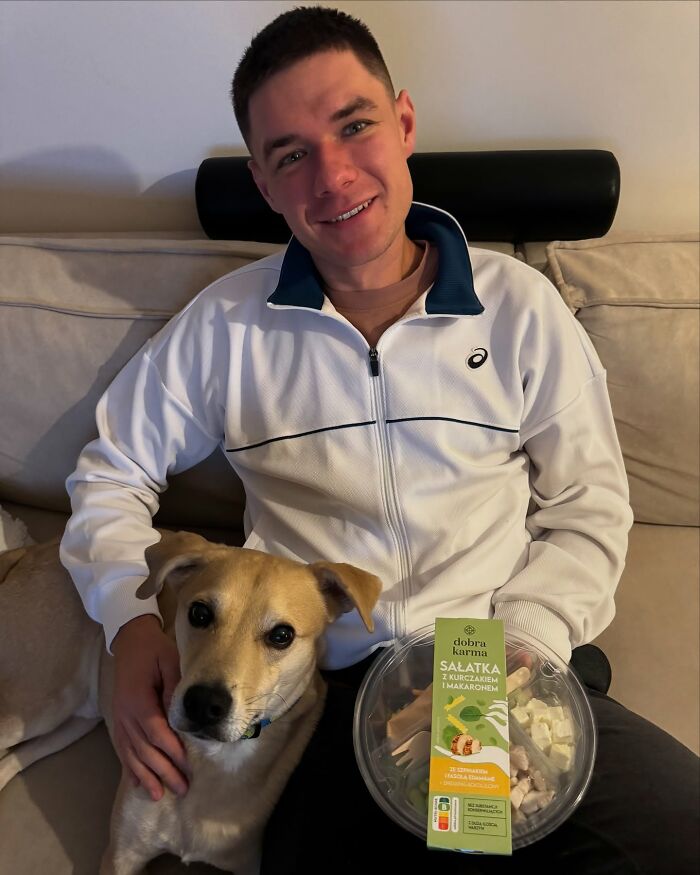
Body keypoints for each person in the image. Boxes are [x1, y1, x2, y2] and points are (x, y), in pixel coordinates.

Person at [60, 6, 699, 874]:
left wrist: (523, 642)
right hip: (325, 692)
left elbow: (591, 505)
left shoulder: (521, 309)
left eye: (354, 126)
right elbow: (109, 476)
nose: (331, 175)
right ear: (262, 179)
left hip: (501, 658)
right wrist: (130, 622)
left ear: (402, 123)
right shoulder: (224, 328)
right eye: (290, 155)